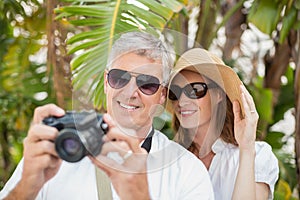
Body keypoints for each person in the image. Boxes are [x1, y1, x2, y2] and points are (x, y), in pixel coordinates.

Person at [0, 32, 214, 200]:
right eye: (119, 78)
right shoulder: (56, 151)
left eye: (147, 84)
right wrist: (26, 187)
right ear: (105, 82)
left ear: (162, 95)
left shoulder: (185, 170)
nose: (130, 93)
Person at [167, 48, 279, 200]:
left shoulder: (257, 155)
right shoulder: (169, 161)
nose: (182, 101)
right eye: (175, 92)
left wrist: (246, 148)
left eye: (195, 90)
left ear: (218, 94)